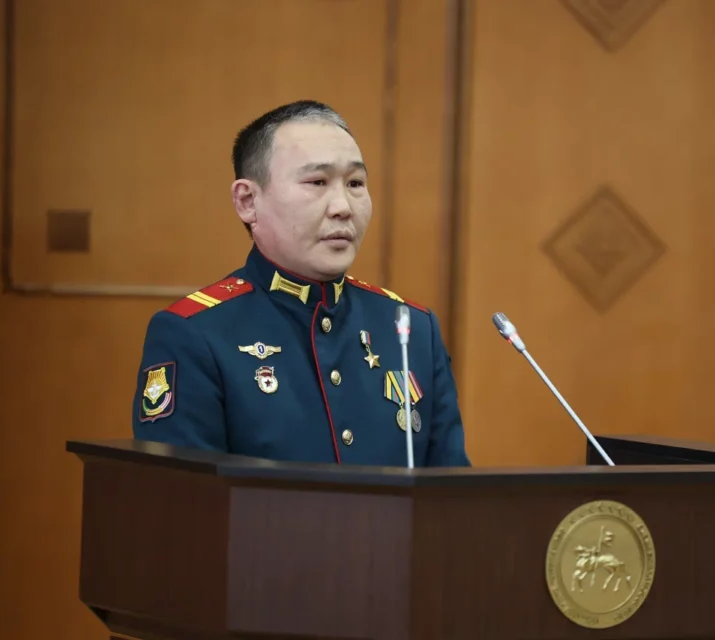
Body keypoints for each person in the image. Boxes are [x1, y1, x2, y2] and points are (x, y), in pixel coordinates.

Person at [131, 100, 470, 467]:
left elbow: (451, 492)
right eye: (317, 182)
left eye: (355, 183)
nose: (343, 207)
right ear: (248, 201)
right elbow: (182, 494)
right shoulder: (197, 334)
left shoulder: (411, 329)